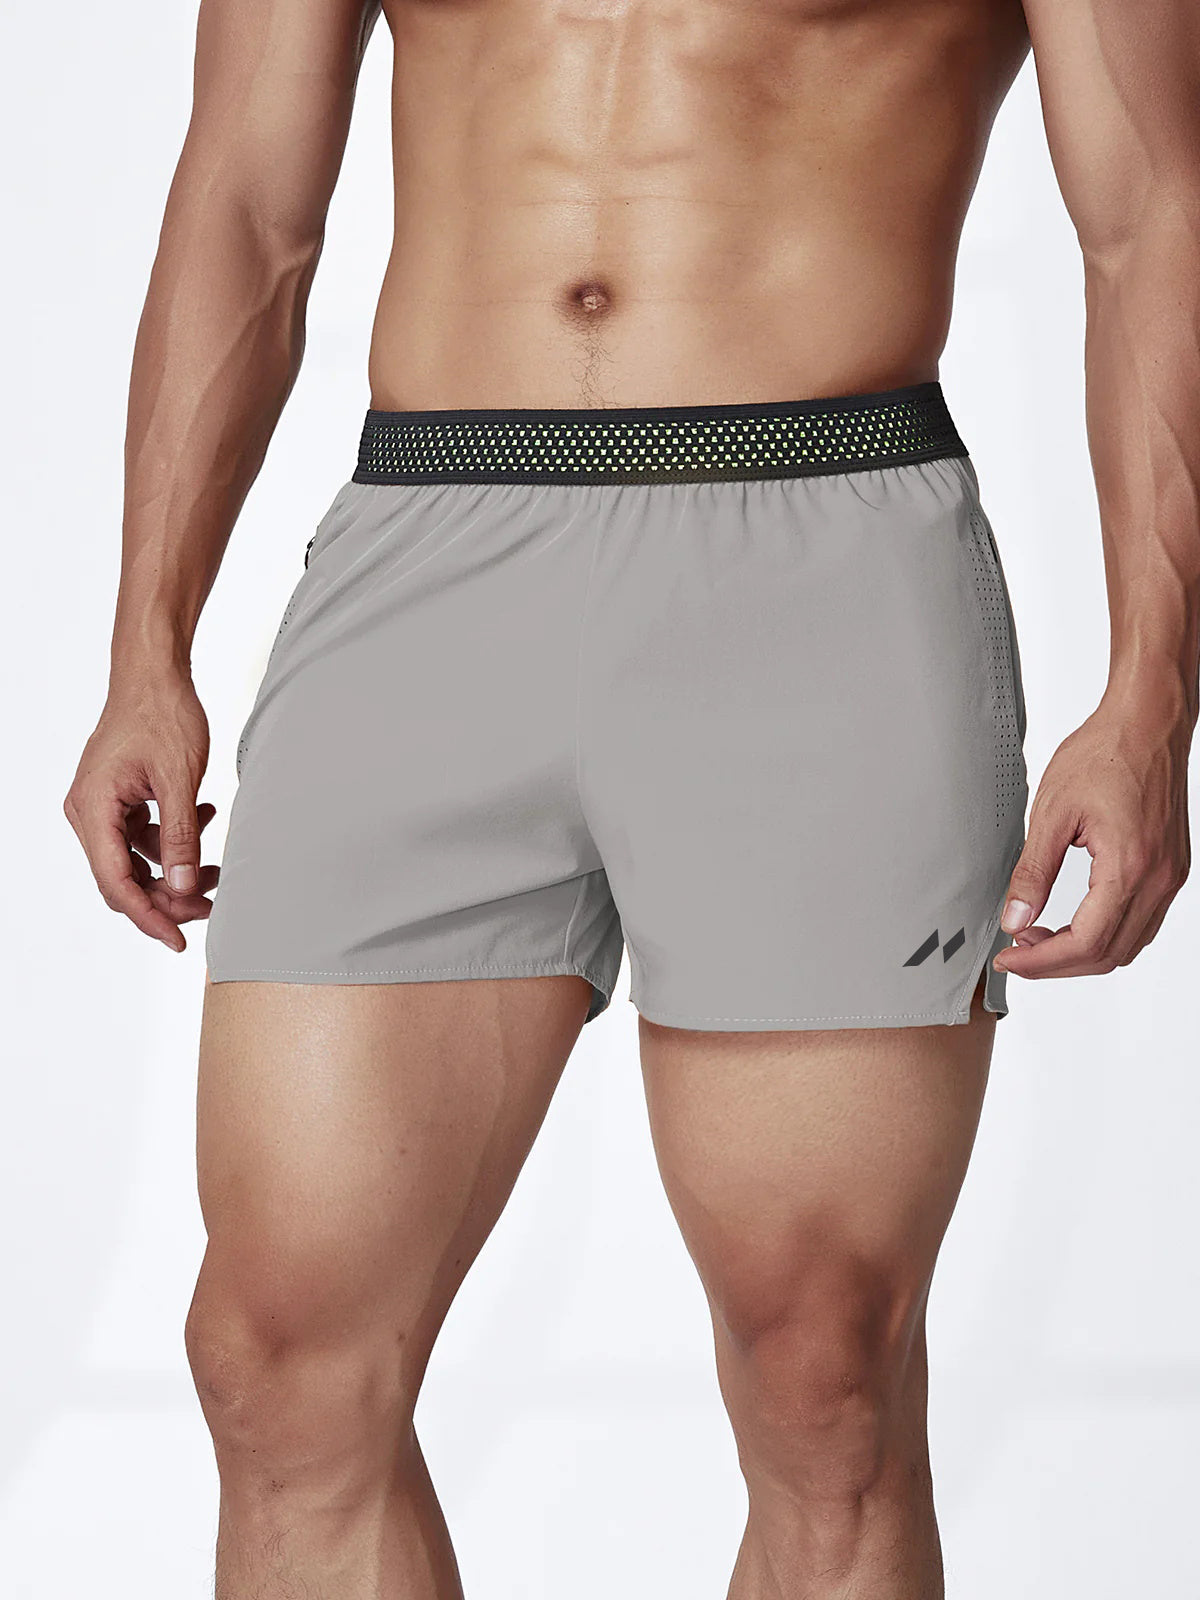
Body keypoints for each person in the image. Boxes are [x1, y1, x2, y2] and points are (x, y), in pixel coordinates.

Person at [64, 0, 1198, 1594]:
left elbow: (1154, 214)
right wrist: (146, 648)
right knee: (278, 1358)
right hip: (430, 554)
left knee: (825, 1375)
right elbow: (247, 195)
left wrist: (1151, 698)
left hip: (823, 554)